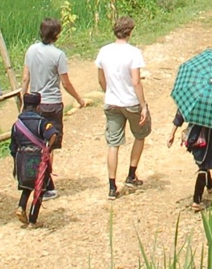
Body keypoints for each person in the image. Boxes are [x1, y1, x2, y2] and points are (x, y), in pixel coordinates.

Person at [15, 17, 84, 221]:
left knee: (34, 144)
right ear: (56, 35)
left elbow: (25, 78)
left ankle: (38, 183)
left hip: (35, 103)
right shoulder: (58, 55)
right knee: (49, 145)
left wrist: (23, 99)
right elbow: (65, 82)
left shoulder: (30, 50)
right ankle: (45, 184)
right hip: (52, 104)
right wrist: (79, 98)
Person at [96, 15, 151, 199]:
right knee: (140, 135)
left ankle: (112, 186)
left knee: (113, 144)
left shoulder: (104, 51)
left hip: (112, 102)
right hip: (131, 102)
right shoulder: (133, 52)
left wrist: (109, 92)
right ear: (129, 32)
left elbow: (101, 78)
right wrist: (143, 105)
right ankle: (131, 174)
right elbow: (136, 81)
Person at [167, 106, 212, 210]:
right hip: (206, 137)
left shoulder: (193, 102)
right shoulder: (211, 103)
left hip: (193, 136)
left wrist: (171, 134)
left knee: (204, 162)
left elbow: (180, 114)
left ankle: (209, 185)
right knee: (204, 166)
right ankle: (197, 200)